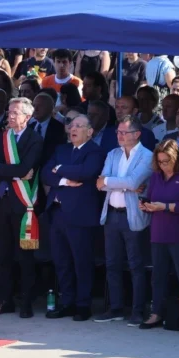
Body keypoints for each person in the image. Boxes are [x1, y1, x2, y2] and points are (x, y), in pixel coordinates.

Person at [41, 114, 105, 322]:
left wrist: (59, 170)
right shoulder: (61, 149)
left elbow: (86, 172)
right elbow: (45, 174)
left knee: (82, 261)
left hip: (80, 215)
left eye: (79, 126)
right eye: (71, 125)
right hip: (58, 212)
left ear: (90, 131)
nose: (73, 129)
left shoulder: (94, 151)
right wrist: (64, 181)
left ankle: (83, 304)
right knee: (62, 261)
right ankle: (67, 302)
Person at [0, 97, 44, 318]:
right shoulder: (2, 138)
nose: (10, 116)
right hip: (2, 202)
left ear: (27, 117)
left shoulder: (34, 139)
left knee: (25, 256)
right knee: (3, 255)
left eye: (15, 113)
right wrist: (7, 169)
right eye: (9, 112)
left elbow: (25, 169)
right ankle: (6, 299)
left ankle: (27, 302)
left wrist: (2, 168)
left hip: (23, 203)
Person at [95, 116, 153, 325]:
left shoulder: (147, 156)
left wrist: (113, 182)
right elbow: (99, 182)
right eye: (118, 132)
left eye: (124, 132)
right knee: (112, 264)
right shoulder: (112, 153)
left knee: (136, 265)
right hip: (112, 214)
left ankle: (138, 310)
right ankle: (116, 307)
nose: (119, 136)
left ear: (136, 134)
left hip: (132, 216)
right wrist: (124, 184)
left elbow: (134, 181)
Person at [138, 139, 179, 332]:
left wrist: (164, 207)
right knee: (158, 276)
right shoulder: (156, 176)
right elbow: (152, 197)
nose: (164, 166)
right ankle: (156, 313)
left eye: (167, 161)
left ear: (176, 158)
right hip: (158, 232)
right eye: (161, 162)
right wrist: (146, 205)